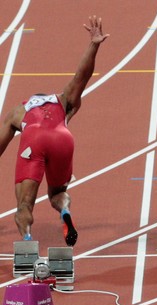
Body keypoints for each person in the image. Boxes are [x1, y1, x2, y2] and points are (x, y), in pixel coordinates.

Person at [0, 16, 109, 246]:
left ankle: (28, 240)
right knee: (57, 192)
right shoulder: (63, 100)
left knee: (24, 205)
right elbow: (82, 77)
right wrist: (94, 44)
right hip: (62, 138)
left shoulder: (18, 111)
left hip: (33, 138)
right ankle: (65, 211)